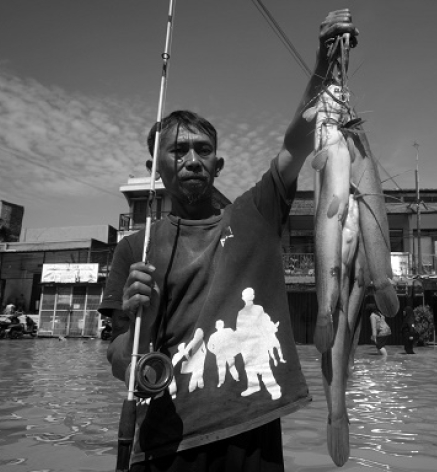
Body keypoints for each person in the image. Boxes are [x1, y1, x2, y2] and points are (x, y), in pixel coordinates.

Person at [98, 10, 358, 471]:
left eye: (203, 150)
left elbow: (297, 143)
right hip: (165, 441)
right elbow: (120, 359)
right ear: (154, 168)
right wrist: (144, 315)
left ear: (219, 165)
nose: (192, 159)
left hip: (253, 432)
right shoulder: (133, 250)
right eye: (178, 151)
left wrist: (322, 61)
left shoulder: (256, 214)